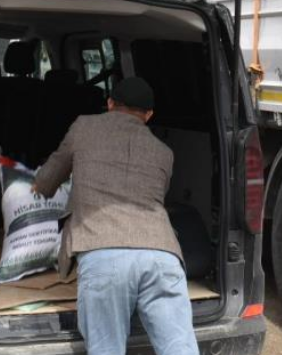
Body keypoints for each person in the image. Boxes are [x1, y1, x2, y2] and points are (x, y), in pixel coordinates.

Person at [32, 77, 197, 355]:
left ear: (109, 103)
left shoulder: (84, 126)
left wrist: (37, 185)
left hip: (102, 253)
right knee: (180, 349)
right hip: (162, 256)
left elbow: (48, 181)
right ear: (149, 115)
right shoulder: (164, 152)